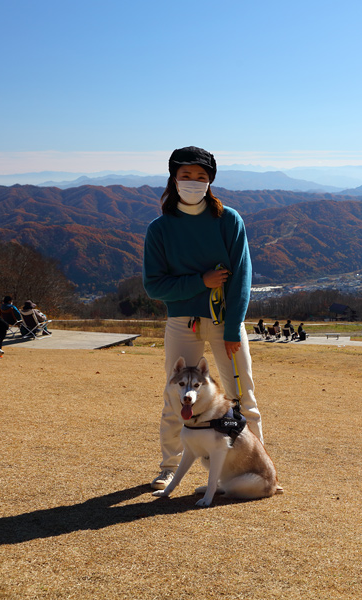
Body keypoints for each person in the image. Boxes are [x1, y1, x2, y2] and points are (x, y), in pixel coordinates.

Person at [143, 146, 264, 490]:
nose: (193, 182)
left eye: (201, 176)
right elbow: (154, 286)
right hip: (182, 322)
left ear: (210, 180)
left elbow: (242, 278)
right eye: (186, 175)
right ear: (174, 178)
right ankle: (168, 467)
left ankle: (259, 465)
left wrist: (231, 327)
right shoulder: (160, 228)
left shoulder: (228, 220)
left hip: (225, 321)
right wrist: (201, 282)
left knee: (242, 397)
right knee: (175, 397)